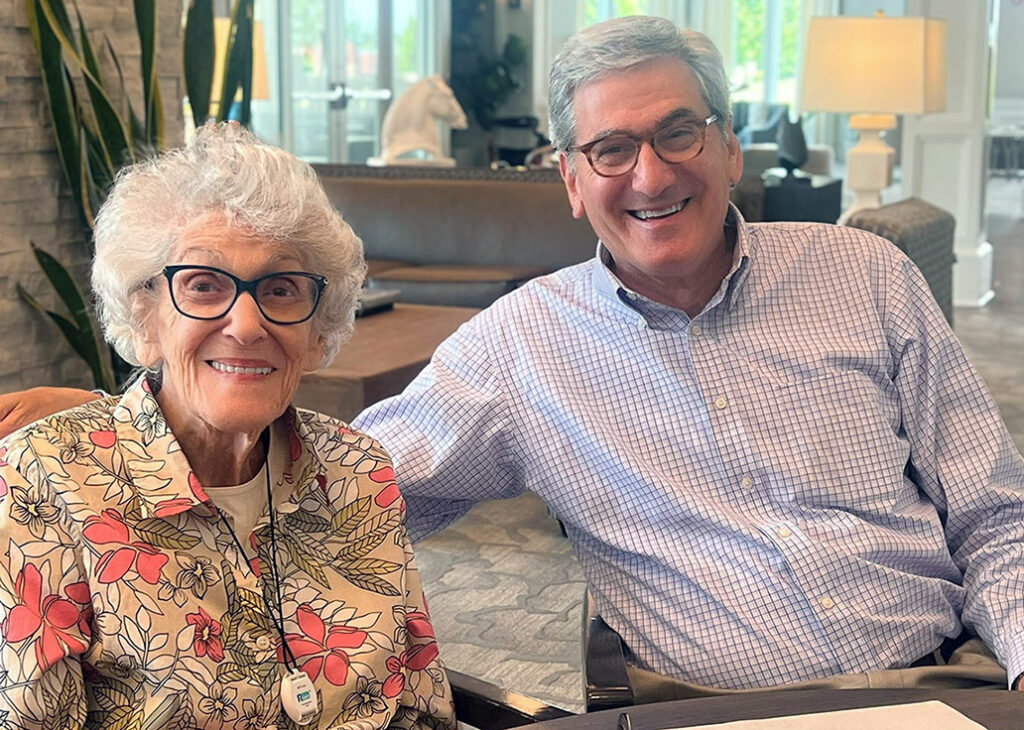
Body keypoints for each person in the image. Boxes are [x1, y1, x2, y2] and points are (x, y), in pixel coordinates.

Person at [4, 15, 1024, 698]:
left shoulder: (865, 276)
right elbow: (342, 482)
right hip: (711, 707)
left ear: (729, 148)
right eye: (610, 149)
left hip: (947, 679)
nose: (650, 173)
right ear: (570, 181)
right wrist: (129, 413)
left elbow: (996, 516)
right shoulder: (521, 343)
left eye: (679, 133)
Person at [0, 124, 454, 729]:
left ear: (318, 330)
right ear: (145, 315)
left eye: (281, 289)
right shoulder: (44, 481)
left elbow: (420, 706)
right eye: (203, 285)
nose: (245, 324)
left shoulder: (356, 469)